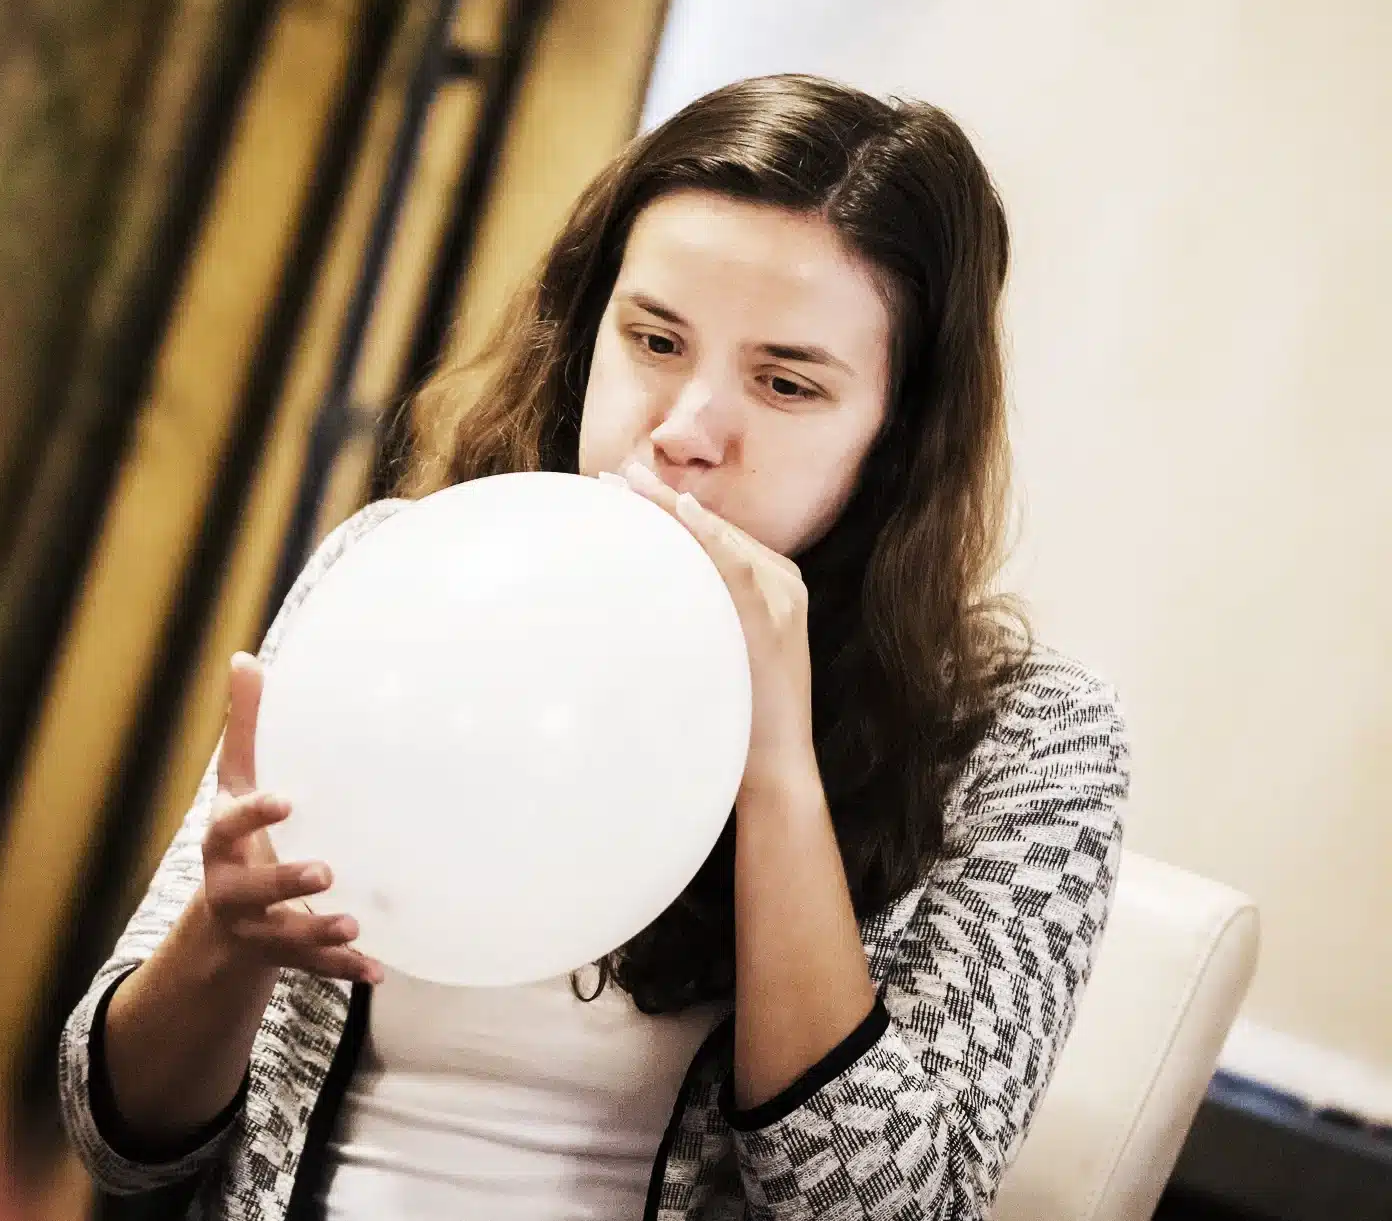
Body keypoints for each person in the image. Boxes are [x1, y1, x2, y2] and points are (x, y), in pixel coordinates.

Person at [56, 74, 1129, 1221]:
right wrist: (224, 941)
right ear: (587, 334)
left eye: (782, 381)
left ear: (896, 435)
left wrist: (775, 770)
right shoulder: (400, 575)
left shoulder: (1026, 739)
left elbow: (891, 1210)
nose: (680, 431)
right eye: (654, 338)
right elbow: (118, 1140)